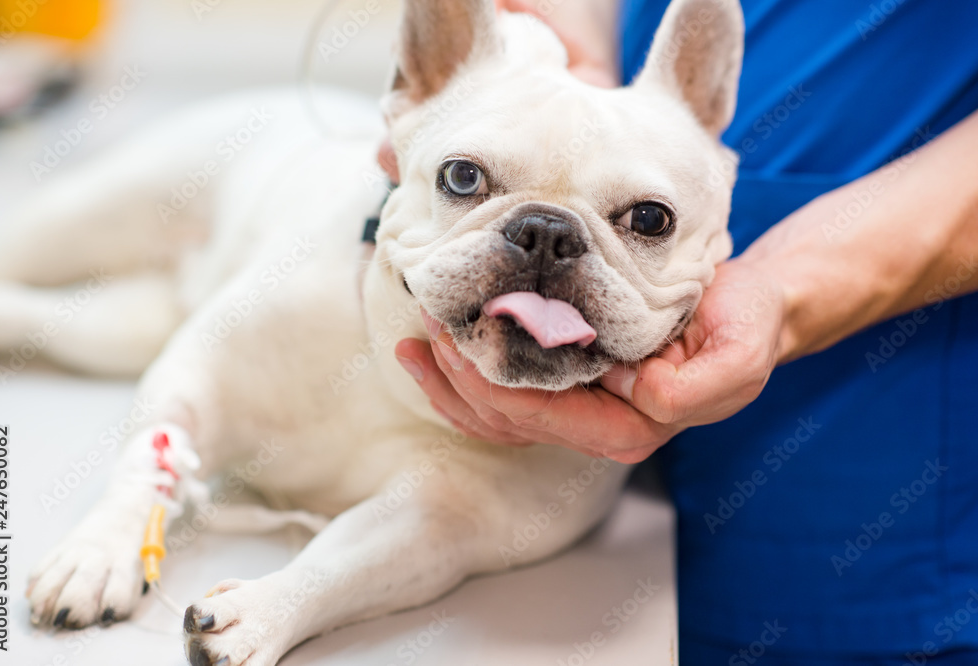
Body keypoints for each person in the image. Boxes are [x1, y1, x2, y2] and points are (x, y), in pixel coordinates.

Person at [383, 0, 978, 662]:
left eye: (645, 219)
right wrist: (570, 43)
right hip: (610, 536)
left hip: (883, 463)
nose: (546, 253)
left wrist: (787, 286)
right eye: (466, 180)